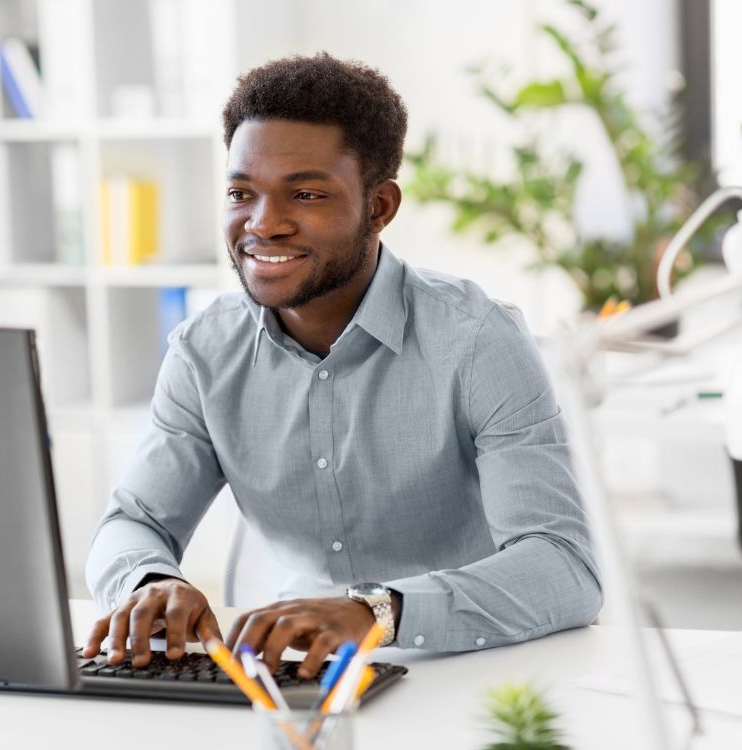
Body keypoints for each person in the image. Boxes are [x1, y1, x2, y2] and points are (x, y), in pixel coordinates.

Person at [84, 52, 601, 679]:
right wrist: (150, 580)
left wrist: (378, 612)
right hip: (287, 677)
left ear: (379, 207)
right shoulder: (204, 351)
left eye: (305, 194)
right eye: (241, 193)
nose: (263, 223)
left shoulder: (477, 339)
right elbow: (133, 522)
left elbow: (563, 563)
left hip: (470, 668)